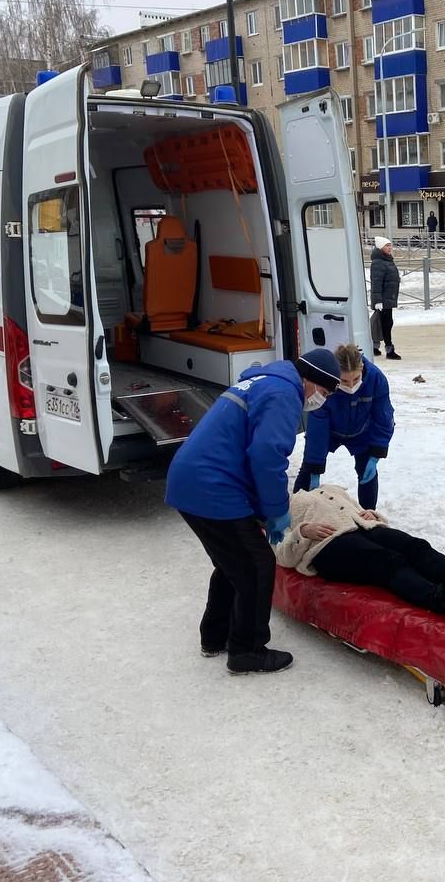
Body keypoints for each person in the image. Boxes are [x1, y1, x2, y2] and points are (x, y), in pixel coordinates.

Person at [165, 348, 341, 674]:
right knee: (258, 564)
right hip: (211, 485)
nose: (322, 401)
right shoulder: (284, 393)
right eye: (325, 392)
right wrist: (276, 512)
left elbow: (248, 453)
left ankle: (215, 636)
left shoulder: (265, 382)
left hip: (192, 479)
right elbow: (266, 456)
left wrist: (262, 511)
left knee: (233, 562)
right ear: (312, 381)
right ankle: (247, 650)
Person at [276, 484, 445, 625]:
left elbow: (357, 509)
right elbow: (283, 556)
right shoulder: (282, 509)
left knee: (415, 546)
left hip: (365, 528)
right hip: (327, 546)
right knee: (386, 561)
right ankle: (443, 600)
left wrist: (369, 514)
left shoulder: (330, 488)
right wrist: (303, 531)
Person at [294, 344, 394, 510]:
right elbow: (317, 429)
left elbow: (383, 416)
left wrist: (377, 451)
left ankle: (369, 515)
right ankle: (297, 510)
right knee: (308, 469)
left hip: (361, 431)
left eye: (355, 379)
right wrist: (315, 465)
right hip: (330, 431)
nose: (351, 385)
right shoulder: (326, 382)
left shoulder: (376, 379)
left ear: (361, 368)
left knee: (367, 472)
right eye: (344, 381)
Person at [370, 237, 401, 360]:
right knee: (386, 324)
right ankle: (389, 350)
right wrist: (378, 301)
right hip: (383, 299)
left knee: (380, 323)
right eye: (387, 246)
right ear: (380, 247)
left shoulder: (387, 260)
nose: (390, 248)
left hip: (388, 298)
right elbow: (376, 283)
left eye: (390, 245)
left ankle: (374, 346)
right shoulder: (378, 262)